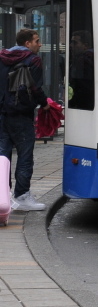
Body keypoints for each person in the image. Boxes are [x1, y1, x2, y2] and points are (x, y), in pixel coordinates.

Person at [0, 29, 49, 211]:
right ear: (27, 43)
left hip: (2, 114)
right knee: (25, 156)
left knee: (2, 156)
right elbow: (35, 88)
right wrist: (44, 104)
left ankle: (3, 194)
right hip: (21, 114)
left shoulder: (2, 56)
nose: (40, 44)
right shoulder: (33, 59)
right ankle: (22, 196)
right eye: (37, 41)